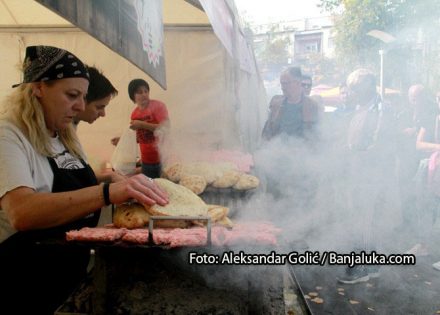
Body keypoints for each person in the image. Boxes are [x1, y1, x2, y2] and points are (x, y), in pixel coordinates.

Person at [0, 45, 168, 314]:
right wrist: (106, 193)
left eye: (83, 96)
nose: (79, 106)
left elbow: (74, 185)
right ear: (39, 87)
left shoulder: (61, 132)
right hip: (21, 276)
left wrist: (119, 184)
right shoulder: (9, 135)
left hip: (61, 273)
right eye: (71, 95)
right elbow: (22, 212)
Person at [337, 68, 397, 284]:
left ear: (366, 88)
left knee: (363, 221)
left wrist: (355, 152)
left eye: (354, 89)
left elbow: (379, 145)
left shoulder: (381, 110)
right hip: (357, 172)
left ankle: (361, 267)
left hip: (371, 175)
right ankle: (371, 265)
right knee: (361, 219)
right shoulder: (361, 108)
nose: (351, 92)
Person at [73, 65, 125, 183]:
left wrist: (110, 176)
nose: (103, 114)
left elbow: (78, 178)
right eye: (99, 107)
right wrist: (106, 193)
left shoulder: (71, 127)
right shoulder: (50, 132)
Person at [261, 66, 321, 142]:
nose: (282, 87)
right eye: (281, 84)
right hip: (276, 151)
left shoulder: (312, 106)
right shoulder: (276, 104)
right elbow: (266, 133)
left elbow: (316, 136)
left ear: (297, 83)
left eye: (285, 84)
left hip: (302, 152)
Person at [128, 78, 170, 178]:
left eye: (146, 91)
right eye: (139, 92)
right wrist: (122, 140)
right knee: (150, 189)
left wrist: (142, 124)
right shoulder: (134, 114)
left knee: (166, 188)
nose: (144, 94)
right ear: (133, 97)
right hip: (146, 162)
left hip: (163, 159)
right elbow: (140, 137)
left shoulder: (158, 106)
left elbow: (166, 128)